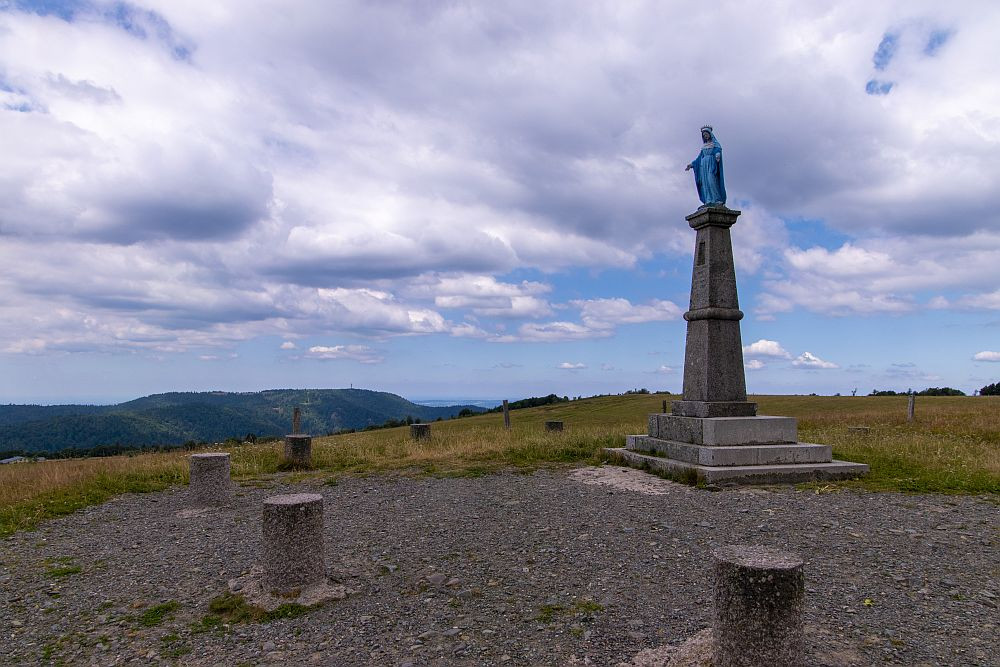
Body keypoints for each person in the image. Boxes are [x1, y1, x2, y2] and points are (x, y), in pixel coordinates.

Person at [685, 125, 726, 207]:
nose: (705, 136)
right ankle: (709, 200)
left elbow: (717, 150)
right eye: (704, 135)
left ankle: (717, 199)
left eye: (706, 134)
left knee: (712, 180)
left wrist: (717, 155)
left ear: (710, 134)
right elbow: (699, 158)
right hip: (703, 166)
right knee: (705, 182)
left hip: (711, 164)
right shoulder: (704, 146)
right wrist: (692, 164)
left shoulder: (715, 144)